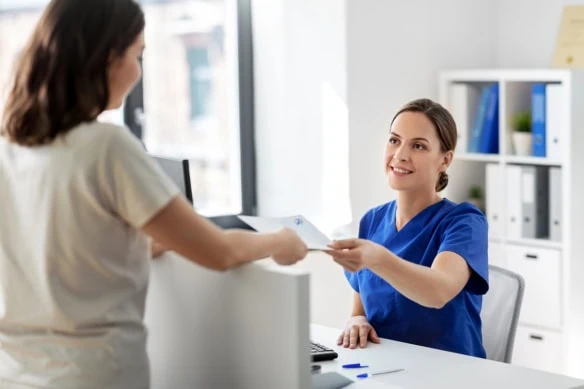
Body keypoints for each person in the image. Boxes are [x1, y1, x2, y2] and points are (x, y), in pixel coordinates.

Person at [0, 1, 308, 388]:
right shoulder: (105, 145)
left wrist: (147, 244)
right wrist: (279, 242)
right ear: (108, 59)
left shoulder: (10, 149)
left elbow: (65, 248)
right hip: (92, 375)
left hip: (15, 373)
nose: (137, 71)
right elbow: (219, 253)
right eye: (137, 54)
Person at [324, 98, 489, 358]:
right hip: (385, 368)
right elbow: (359, 310)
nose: (400, 154)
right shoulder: (373, 220)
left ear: (444, 160)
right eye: (394, 140)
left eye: (418, 146)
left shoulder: (464, 222)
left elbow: (438, 291)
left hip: (450, 375)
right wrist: (356, 321)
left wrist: (378, 258)